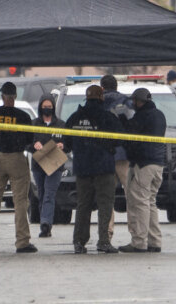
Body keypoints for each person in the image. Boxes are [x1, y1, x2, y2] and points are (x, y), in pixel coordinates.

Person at [64, 84, 124, 254]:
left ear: (86, 98)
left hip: (83, 168)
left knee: (83, 206)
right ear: (101, 98)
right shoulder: (107, 117)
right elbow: (121, 139)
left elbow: (66, 143)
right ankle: (104, 241)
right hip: (104, 168)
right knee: (105, 205)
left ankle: (79, 242)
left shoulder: (75, 117)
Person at [0, 81, 38, 254]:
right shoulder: (23, 117)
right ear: (15, 97)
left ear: (2, 96)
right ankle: (22, 242)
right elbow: (29, 140)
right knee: (20, 201)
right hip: (17, 158)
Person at [120, 87, 166, 253]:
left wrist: (122, 120)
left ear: (139, 101)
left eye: (134, 101)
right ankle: (155, 241)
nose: (133, 103)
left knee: (139, 201)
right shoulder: (159, 115)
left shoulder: (142, 116)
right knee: (150, 201)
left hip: (144, 163)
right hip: (158, 163)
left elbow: (130, 135)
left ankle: (139, 242)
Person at [100, 74, 132, 242]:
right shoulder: (125, 101)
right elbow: (132, 121)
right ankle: (136, 233)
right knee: (130, 194)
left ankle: (106, 233)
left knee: (106, 196)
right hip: (123, 153)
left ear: (102, 87)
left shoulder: (97, 102)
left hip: (104, 155)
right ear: (116, 86)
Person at [31, 95, 66, 238]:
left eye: (49, 106)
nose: (47, 109)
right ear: (40, 107)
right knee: (42, 194)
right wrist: (34, 145)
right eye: (44, 106)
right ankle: (44, 223)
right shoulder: (33, 124)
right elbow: (27, 142)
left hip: (55, 163)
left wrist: (63, 145)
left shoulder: (61, 125)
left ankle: (46, 223)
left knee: (49, 195)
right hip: (39, 164)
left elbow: (68, 143)